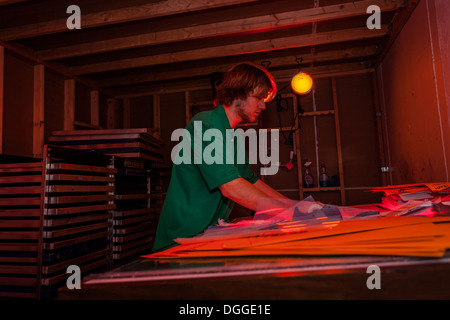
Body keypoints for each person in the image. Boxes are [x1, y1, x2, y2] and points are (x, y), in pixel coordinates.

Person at [152, 62, 292, 252]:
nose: (263, 105)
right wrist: (287, 212)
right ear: (238, 93)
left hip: (206, 238)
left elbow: (250, 181)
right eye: (259, 97)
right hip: (181, 241)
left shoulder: (233, 137)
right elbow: (231, 187)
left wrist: (296, 205)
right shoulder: (206, 124)